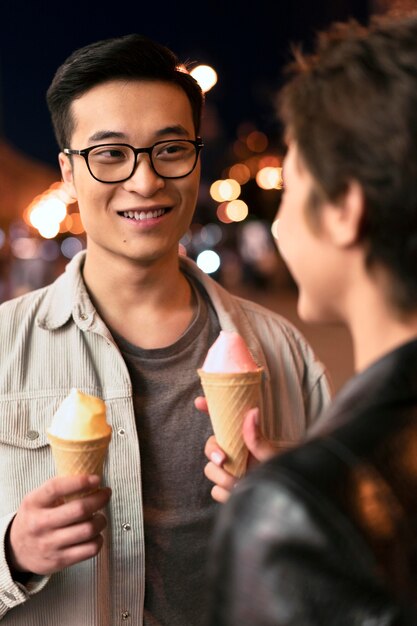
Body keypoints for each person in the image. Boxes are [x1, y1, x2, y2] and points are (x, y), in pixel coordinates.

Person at [0, 34, 331, 625]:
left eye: (170, 149)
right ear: (69, 175)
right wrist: (13, 555)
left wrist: (307, 509)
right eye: (109, 155)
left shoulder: (287, 356)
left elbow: (355, 567)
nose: (146, 181)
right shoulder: (4, 348)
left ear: (197, 161)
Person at [207, 13, 417, 626]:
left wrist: (298, 498)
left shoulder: (290, 520)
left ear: (346, 209)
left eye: (291, 187)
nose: (277, 222)